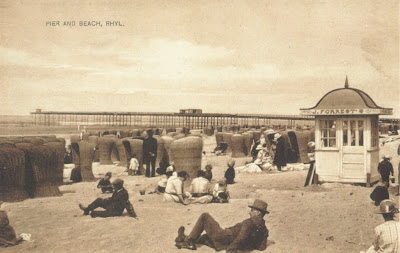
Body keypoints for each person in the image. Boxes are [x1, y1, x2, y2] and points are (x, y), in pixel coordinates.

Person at [175, 199, 269, 252]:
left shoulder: (248, 223)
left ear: (258, 213)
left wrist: (231, 250)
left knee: (205, 216)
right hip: (224, 244)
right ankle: (183, 237)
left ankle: (189, 240)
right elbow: (261, 247)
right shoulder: (264, 230)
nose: (249, 212)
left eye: (252, 210)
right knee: (204, 237)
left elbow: (241, 237)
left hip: (224, 237)